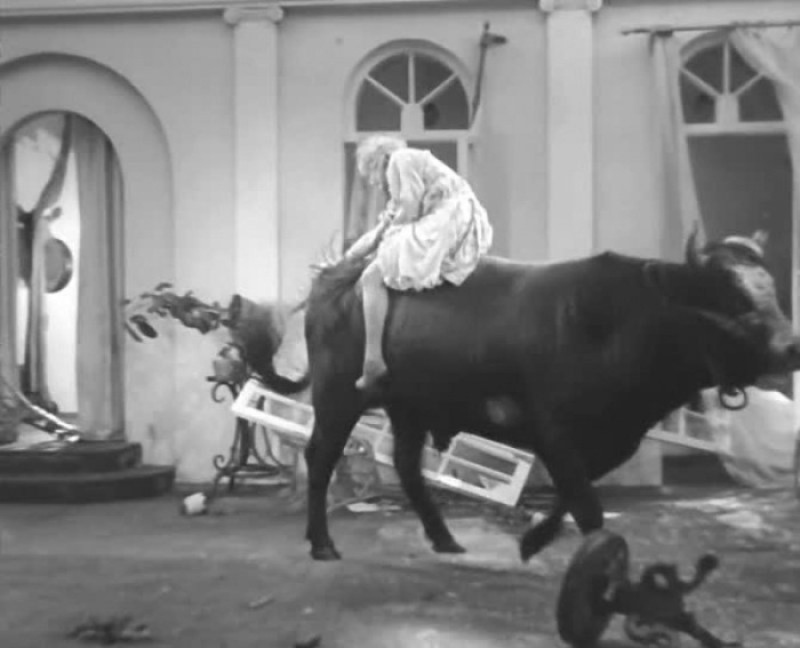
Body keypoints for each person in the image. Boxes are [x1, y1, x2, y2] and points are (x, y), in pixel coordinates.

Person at [346, 134, 493, 391]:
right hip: (453, 220)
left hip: (448, 220)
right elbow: (378, 233)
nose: (373, 183)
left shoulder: (400, 160)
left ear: (378, 160)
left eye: (371, 174)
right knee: (383, 258)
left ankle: (373, 359)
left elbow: (410, 209)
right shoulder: (400, 184)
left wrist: (389, 235)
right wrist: (348, 258)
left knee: (371, 278)